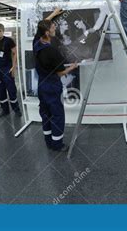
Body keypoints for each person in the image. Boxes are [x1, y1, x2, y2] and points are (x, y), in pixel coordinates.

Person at [34, 8, 79, 152]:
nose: (55, 27)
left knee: (45, 113)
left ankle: (48, 141)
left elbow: (41, 26)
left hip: (41, 85)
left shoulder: (36, 43)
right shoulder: (53, 52)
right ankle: (58, 144)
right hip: (53, 86)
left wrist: (54, 13)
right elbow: (60, 73)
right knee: (57, 115)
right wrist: (72, 67)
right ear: (47, 33)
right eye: (53, 26)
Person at [0, 24, 21, 117]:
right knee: (0, 90)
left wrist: (14, 67)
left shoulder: (9, 41)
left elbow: (15, 53)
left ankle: (16, 110)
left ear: (3, 31)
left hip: (7, 69)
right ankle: (5, 110)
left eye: (0, 31)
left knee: (11, 90)